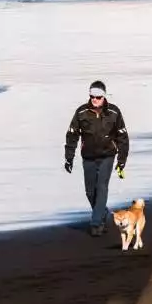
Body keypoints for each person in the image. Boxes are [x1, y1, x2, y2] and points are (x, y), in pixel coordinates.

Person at [64, 80, 129, 237]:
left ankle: (96, 223)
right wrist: (69, 158)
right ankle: (102, 212)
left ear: (104, 97)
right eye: (92, 96)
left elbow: (123, 137)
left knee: (102, 187)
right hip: (88, 156)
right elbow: (72, 135)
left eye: (98, 97)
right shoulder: (81, 112)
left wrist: (121, 160)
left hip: (108, 155)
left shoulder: (114, 112)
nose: (95, 99)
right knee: (90, 191)